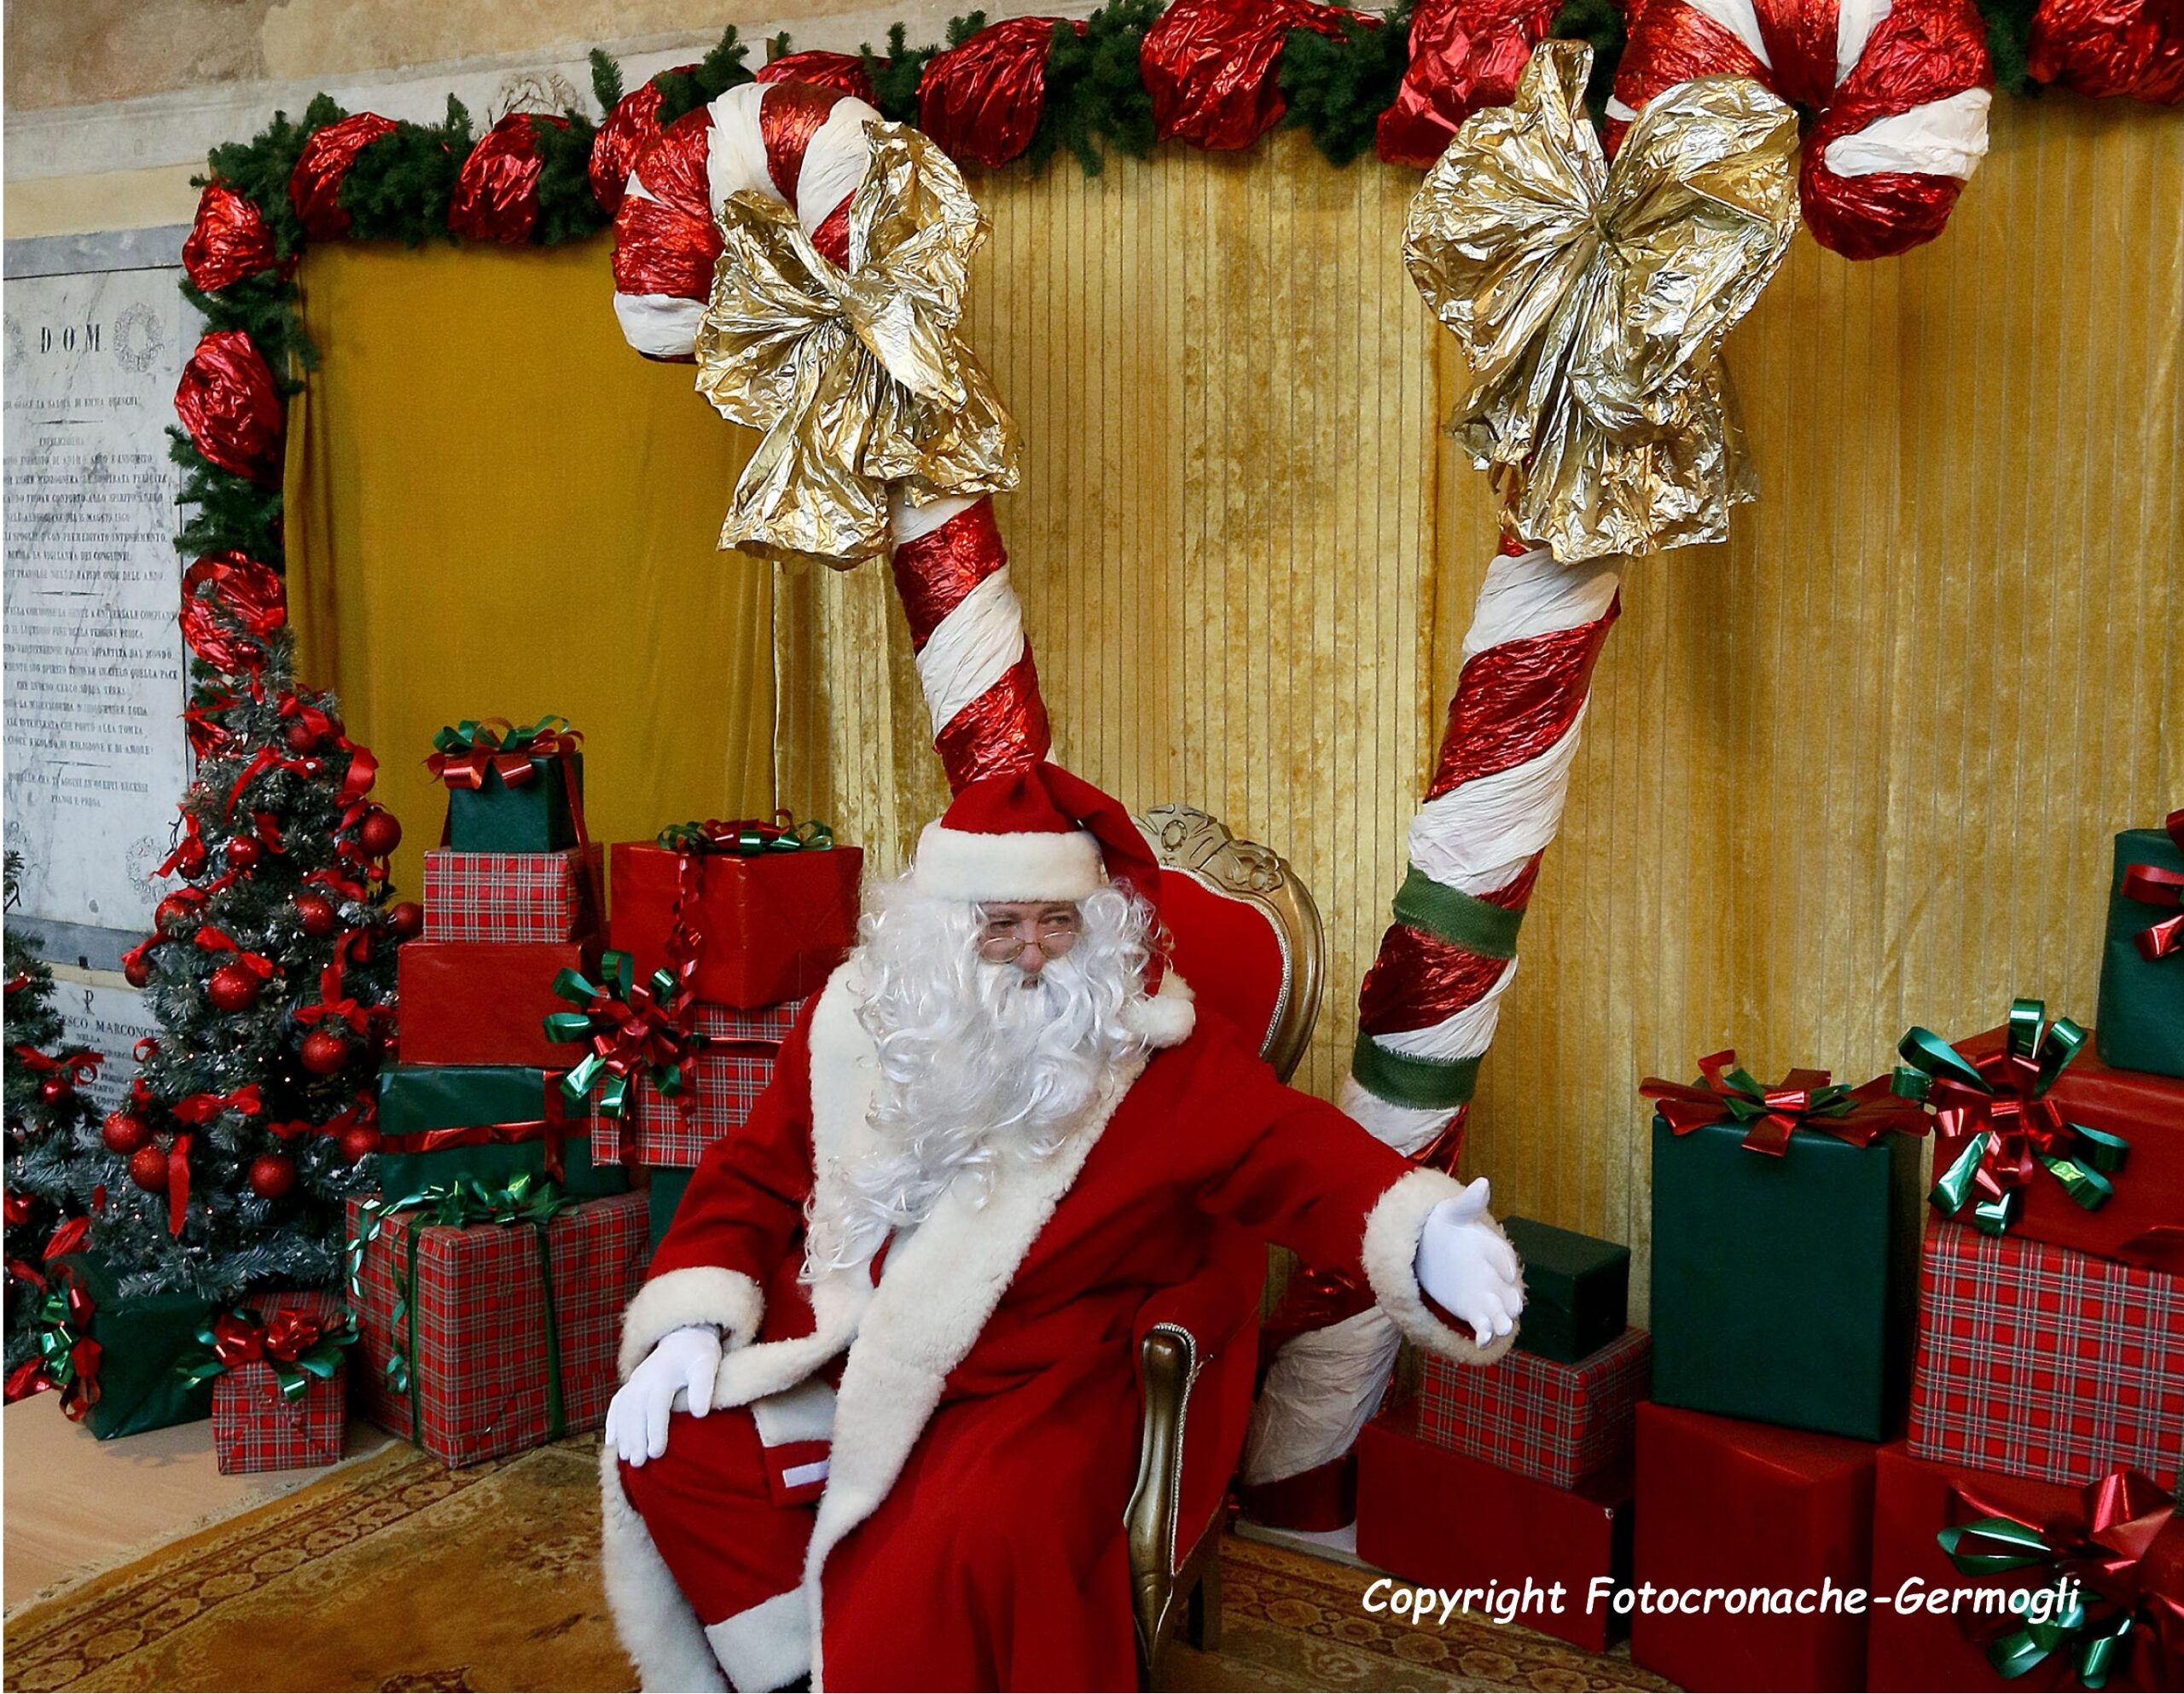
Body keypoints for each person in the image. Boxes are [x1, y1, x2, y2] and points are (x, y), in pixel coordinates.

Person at [601, 763, 1525, 1692]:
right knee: (670, 1446)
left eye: (1057, 922)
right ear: (942, 931)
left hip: (1036, 1377)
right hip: (850, 1338)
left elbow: (1295, 1152)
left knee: (969, 1539)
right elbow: (754, 1173)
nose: (1033, 952)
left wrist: (1421, 1232)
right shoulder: (855, 1021)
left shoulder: (1156, 1057)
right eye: (999, 925)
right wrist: (692, 1318)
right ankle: (793, 1671)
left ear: (1099, 928)